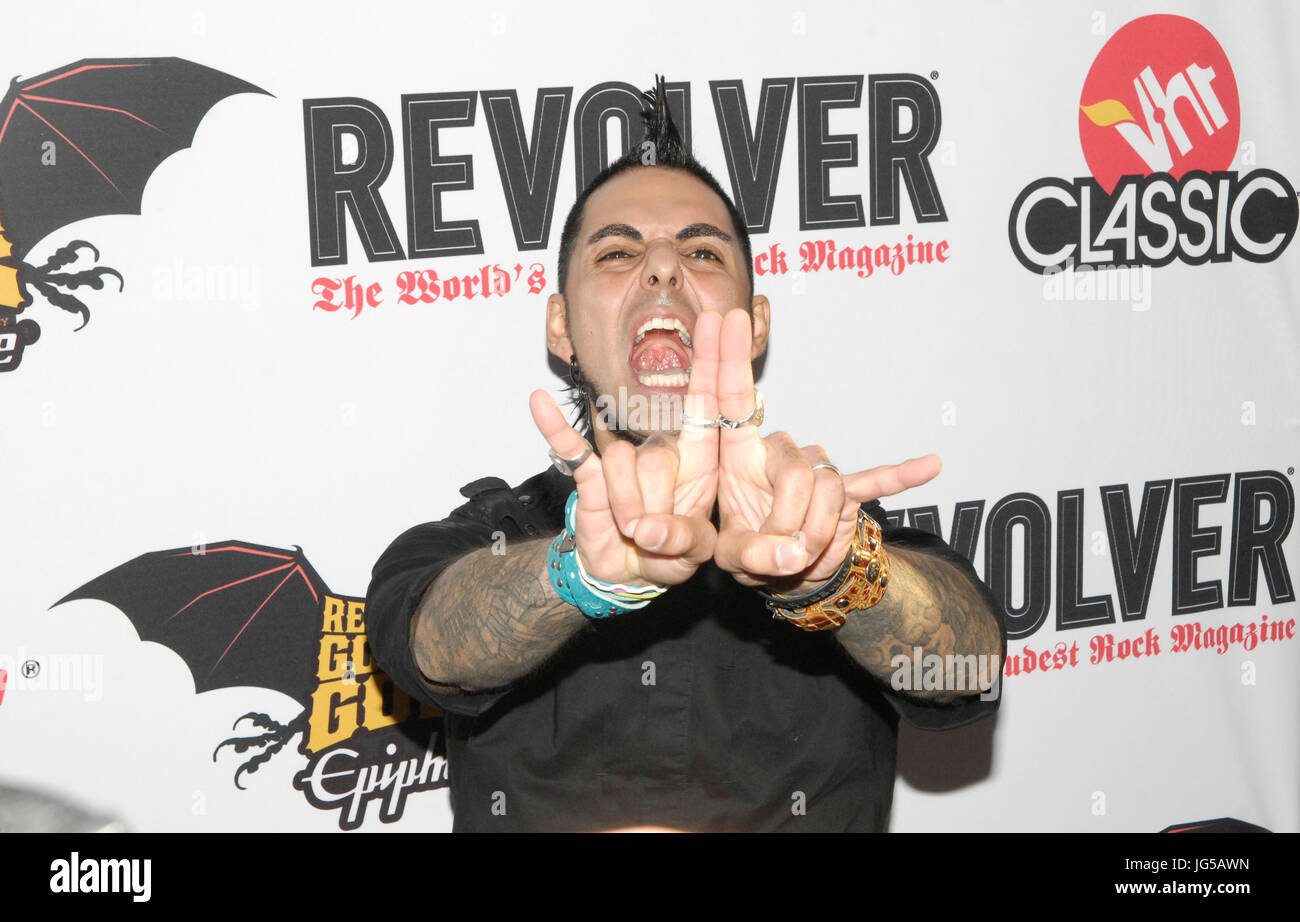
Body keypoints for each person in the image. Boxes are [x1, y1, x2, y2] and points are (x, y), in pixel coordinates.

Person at [366, 78, 1005, 832]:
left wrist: (837, 578)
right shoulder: (491, 533)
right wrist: (575, 574)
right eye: (617, 252)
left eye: (701, 251)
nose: (663, 270)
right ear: (562, 328)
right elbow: (429, 646)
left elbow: (971, 666)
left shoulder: (836, 526)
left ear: (754, 324)